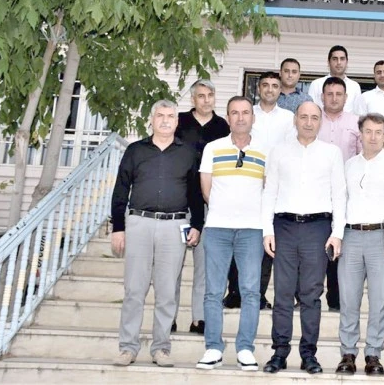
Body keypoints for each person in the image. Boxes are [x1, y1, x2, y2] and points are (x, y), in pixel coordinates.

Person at [111, 100, 204, 368]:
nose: (165, 120)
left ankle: (161, 348)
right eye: (160, 115)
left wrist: (197, 224)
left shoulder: (188, 153)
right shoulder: (135, 151)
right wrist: (118, 228)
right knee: (134, 290)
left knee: (167, 292)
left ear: (177, 121)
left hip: (174, 226)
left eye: (170, 116)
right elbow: (121, 190)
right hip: (139, 223)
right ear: (151, 120)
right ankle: (128, 348)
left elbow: (195, 193)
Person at [261, 101, 347, 375]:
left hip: (317, 229)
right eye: (304, 117)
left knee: (311, 295)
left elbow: (339, 195)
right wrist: (267, 230)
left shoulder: (332, 153)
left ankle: (309, 354)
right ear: (295, 120)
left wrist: (337, 233)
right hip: (284, 227)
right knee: (283, 293)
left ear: (320, 122)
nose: (308, 122)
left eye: (314, 118)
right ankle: (279, 352)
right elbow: (269, 191)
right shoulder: (279, 151)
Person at [334, 113, 384, 376]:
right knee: (348, 298)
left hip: (381, 237)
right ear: (361, 134)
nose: (373, 137)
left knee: (379, 299)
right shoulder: (349, 165)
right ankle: (348, 353)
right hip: (351, 236)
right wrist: (337, 235)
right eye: (368, 131)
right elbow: (340, 202)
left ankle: (373, 354)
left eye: (378, 132)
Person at [196, 96, 267, 371]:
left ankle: (245, 349)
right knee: (213, 291)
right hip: (217, 228)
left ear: (253, 118)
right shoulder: (213, 148)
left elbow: (268, 189)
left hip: (252, 230)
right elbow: (206, 190)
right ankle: (213, 347)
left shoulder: (265, 150)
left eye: (245, 112)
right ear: (227, 118)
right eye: (234, 113)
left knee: (250, 291)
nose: (240, 117)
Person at [223, 71, 294, 311]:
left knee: (267, 241)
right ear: (259, 88)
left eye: (275, 85)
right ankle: (234, 292)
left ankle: (259, 294)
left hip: (275, 186)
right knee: (239, 239)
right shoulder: (248, 114)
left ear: (280, 90)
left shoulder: (288, 118)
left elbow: (289, 150)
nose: (270, 89)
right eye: (265, 85)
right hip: (246, 183)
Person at [173, 80, 230, 334]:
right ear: (193, 99)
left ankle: (200, 318)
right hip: (180, 203)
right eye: (201, 96)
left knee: (205, 266)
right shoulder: (180, 122)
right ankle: (169, 318)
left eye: (210, 95)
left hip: (210, 204)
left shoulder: (222, 127)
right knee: (173, 266)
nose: (206, 100)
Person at [317, 76, 361, 312]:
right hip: (316, 192)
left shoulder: (356, 123)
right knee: (316, 245)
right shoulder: (313, 120)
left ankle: (335, 298)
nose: (334, 98)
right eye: (330, 94)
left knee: (339, 243)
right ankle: (308, 295)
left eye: (338, 94)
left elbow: (363, 157)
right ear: (322, 96)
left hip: (346, 193)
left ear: (346, 97)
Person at [307, 45, 362, 113]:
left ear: (347, 62)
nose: (339, 62)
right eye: (335, 59)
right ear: (328, 62)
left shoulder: (355, 86)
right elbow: (310, 110)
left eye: (342, 59)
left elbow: (358, 114)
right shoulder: (316, 84)